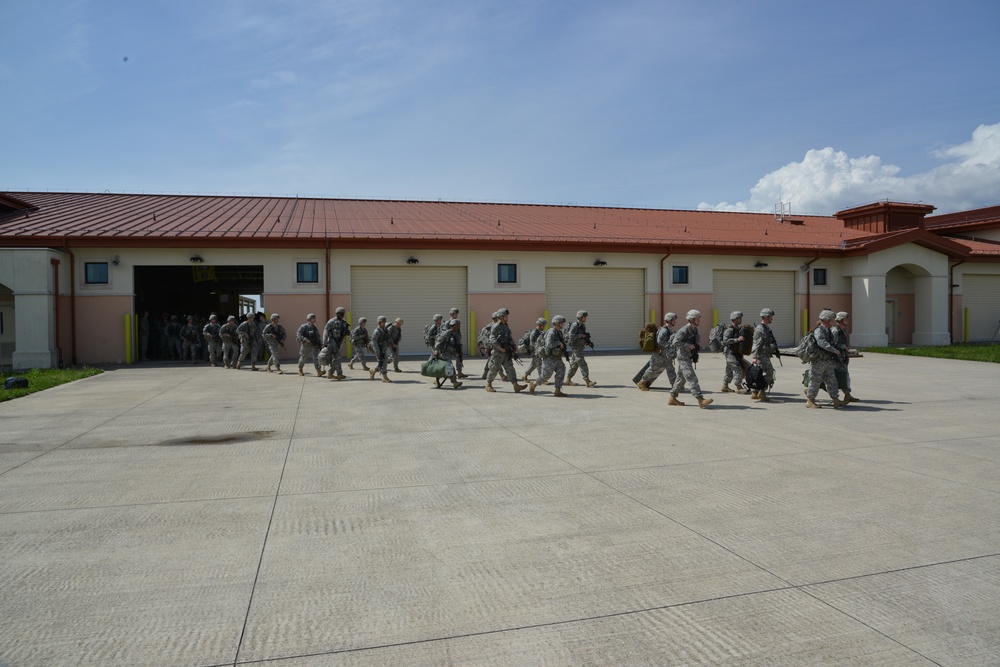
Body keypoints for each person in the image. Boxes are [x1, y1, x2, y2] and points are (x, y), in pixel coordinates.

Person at [668, 310, 713, 408]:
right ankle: (700, 399)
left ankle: (672, 398)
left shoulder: (694, 330)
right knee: (691, 377)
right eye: (697, 319)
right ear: (692, 320)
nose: (699, 321)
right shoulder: (684, 330)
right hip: (683, 357)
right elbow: (675, 342)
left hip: (688, 356)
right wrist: (688, 345)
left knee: (681, 379)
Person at [805, 309, 847, 409]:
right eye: (832, 319)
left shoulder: (828, 330)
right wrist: (834, 350)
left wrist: (838, 348)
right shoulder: (819, 330)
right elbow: (821, 343)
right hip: (819, 360)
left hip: (827, 360)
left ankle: (835, 400)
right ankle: (810, 401)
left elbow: (832, 342)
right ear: (827, 320)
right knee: (815, 380)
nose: (834, 321)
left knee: (832, 380)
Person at [485, 309, 528, 393]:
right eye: (505, 316)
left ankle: (516, 385)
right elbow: (492, 338)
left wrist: (514, 345)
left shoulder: (506, 326)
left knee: (510, 368)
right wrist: (499, 347)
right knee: (494, 368)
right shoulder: (496, 326)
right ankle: (488, 385)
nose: (507, 317)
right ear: (501, 317)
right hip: (498, 352)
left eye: (507, 316)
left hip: (506, 352)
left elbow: (509, 337)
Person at [529, 315, 568, 397]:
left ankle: (557, 390)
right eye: (561, 323)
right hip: (549, 357)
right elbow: (549, 344)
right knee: (546, 376)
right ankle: (534, 383)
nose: (563, 324)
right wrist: (559, 343)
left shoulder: (559, 332)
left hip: (557, 357)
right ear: (557, 323)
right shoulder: (551, 332)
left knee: (561, 371)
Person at [638, 312, 678, 391]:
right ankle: (642, 382)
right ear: (669, 320)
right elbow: (660, 341)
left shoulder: (668, 330)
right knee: (653, 369)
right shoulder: (664, 330)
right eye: (674, 320)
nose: (675, 321)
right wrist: (669, 345)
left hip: (665, 354)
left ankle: (674, 385)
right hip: (659, 354)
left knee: (670, 369)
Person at [749, 308, 779, 401]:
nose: (772, 319)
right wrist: (754, 357)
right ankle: (762, 392)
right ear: (766, 317)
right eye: (771, 317)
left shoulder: (766, 328)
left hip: (764, 354)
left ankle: (754, 392)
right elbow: (756, 344)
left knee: (758, 373)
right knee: (769, 372)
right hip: (761, 355)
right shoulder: (760, 329)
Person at [830, 311, 859, 403]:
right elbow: (832, 344)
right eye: (845, 319)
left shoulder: (842, 331)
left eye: (847, 319)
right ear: (839, 320)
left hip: (842, 358)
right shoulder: (835, 331)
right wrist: (843, 347)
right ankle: (811, 390)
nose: (847, 321)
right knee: (834, 377)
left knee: (845, 376)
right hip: (836, 359)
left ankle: (847, 395)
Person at [565, 310, 596, 387]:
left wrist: (588, 342)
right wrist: (580, 335)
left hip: (579, 347)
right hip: (576, 348)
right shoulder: (575, 325)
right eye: (584, 317)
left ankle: (568, 379)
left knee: (574, 365)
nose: (586, 318)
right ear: (580, 317)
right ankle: (587, 381)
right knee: (582, 363)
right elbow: (570, 336)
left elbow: (584, 336)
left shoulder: (582, 326)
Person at [431, 318, 464, 389]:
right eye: (457, 326)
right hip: (443, 352)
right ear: (452, 326)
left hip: (449, 353)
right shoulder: (447, 333)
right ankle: (454, 382)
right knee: (450, 366)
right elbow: (438, 342)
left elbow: (457, 345)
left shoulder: (456, 334)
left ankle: (436, 380)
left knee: (445, 368)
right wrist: (436, 351)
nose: (459, 327)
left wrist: (459, 353)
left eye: (459, 326)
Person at [721, 311, 748, 394]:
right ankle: (738, 386)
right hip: (729, 352)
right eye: (739, 318)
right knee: (737, 367)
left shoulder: (737, 328)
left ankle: (725, 386)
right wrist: (737, 340)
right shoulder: (729, 329)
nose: (741, 319)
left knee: (729, 369)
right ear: (735, 319)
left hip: (735, 352)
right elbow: (725, 341)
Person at [322, 307, 350, 380]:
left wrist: (348, 333)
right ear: (337, 313)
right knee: (337, 357)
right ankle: (332, 373)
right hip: (332, 341)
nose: (342, 315)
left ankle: (337, 374)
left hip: (339, 342)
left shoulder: (344, 322)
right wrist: (324, 342)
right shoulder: (332, 321)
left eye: (342, 313)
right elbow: (326, 331)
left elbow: (347, 331)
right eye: (340, 313)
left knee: (337, 358)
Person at [521, 317, 547, 382]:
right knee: (539, 365)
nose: (544, 326)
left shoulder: (540, 332)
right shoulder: (534, 333)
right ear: (540, 325)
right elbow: (532, 344)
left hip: (538, 351)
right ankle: (541, 379)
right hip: (535, 352)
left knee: (533, 365)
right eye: (543, 325)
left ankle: (525, 375)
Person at [369, 316, 392, 382]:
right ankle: (384, 377)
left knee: (382, 362)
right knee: (382, 362)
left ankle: (373, 371)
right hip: (379, 349)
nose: (384, 324)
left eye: (384, 322)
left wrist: (391, 344)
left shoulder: (385, 329)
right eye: (382, 322)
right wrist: (377, 351)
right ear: (379, 323)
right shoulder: (377, 331)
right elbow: (374, 341)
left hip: (384, 348)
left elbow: (388, 337)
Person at [477, 312, 498, 379]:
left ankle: (485, 373)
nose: (496, 319)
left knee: (495, 360)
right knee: (494, 360)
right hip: (491, 347)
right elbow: (484, 337)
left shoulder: (501, 326)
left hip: (498, 346)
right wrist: (487, 346)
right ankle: (501, 375)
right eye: (495, 318)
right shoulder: (488, 327)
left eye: (497, 318)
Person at [448, 307, 467, 378]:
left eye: (456, 314)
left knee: (459, 357)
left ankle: (459, 372)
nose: (456, 315)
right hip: (450, 344)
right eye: (454, 314)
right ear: (451, 314)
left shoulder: (457, 322)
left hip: (457, 344)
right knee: (447, 359)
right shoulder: (448, 323)